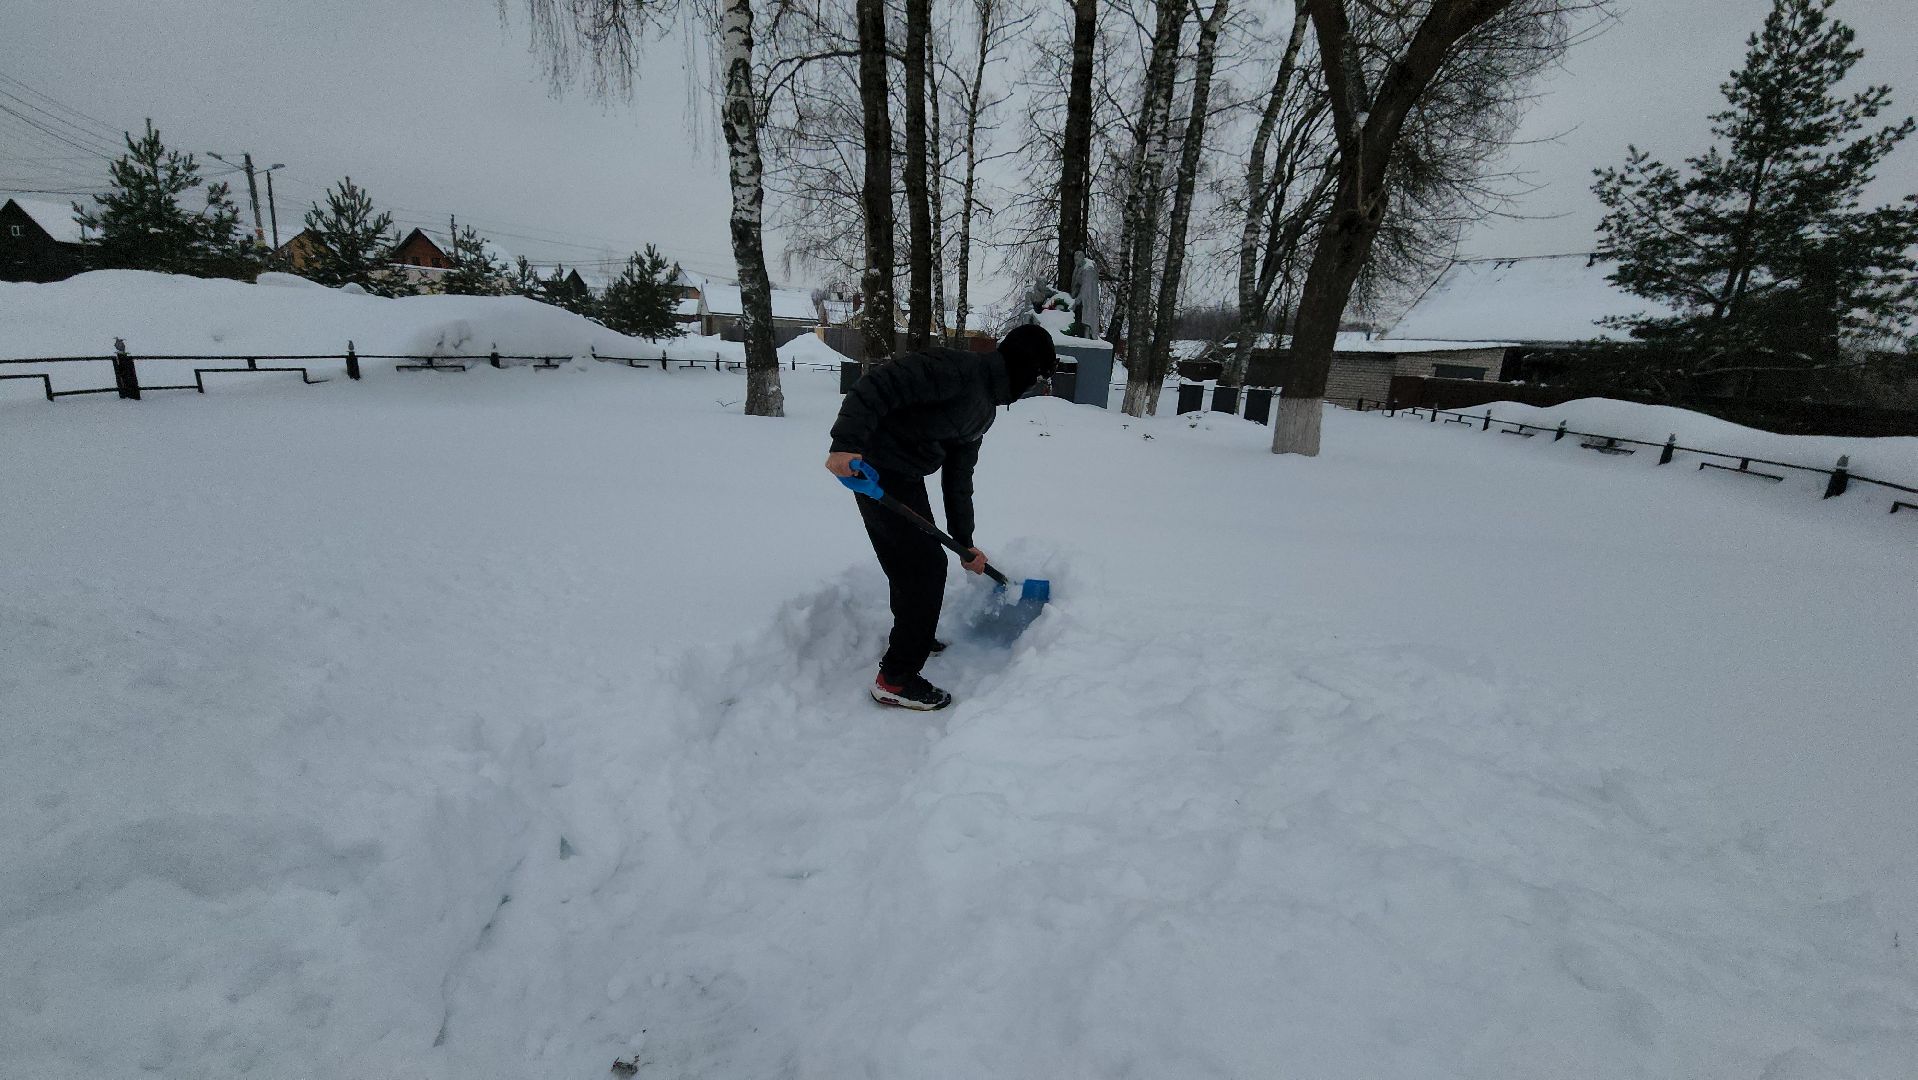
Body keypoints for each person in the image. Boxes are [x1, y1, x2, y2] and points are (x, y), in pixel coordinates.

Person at [825, 324, 1058, 710]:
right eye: (1036, 378)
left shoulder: (984, 409)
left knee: (913, 564)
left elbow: (959, 478)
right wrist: (846, 444)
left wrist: (965, 542)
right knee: (925, 568)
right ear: (1024, 368)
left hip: (905, 476)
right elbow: (878, 384)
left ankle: (913, 634)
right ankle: (896, 679)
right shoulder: (956, 370)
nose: (1032, 388)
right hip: (874, 469)